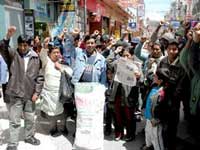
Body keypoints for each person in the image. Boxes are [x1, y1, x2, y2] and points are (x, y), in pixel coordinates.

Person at [1, 28, 44, 150]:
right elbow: (3, 48)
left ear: (29, 45)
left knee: (30, 119)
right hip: (16, 93)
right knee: (15, 120)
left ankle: (29, 136)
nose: (23, 48)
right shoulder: (13, 55)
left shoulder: (36, 58)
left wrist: (37, 92)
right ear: (18, 45)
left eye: (25, 45)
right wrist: (7, 36)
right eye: (20, 45)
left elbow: (40, 77)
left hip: (30, 95)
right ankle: (13, 143)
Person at [106, 46, 142, 142]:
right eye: (123, 55)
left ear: (132, 56)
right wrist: (115, 52)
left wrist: (139, 76)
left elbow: (141, 81)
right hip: (117, 94)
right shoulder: (118, 63)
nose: (125, 58)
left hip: (129, 96)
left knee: (129, 117)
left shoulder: (136, 66)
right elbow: (108, 61)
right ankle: (119, 133)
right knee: (118, 116)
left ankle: (130, 134)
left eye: (127, 55)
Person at [156, 38, 185, 150]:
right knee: (162, 126)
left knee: (172, 127)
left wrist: (174, 96)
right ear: (167, 50)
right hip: (162, 98)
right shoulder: (163, 61)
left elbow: (181, 84)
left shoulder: (181, 64)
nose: (172, 51)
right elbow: (158, 76)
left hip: (174, 101)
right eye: (170, 49)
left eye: (175, 49)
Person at [39, 42, 73, 137]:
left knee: (63, 113)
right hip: (49, 94)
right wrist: (44, 46)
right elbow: (42, 55)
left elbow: (70, 74)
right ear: (49, 54)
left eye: (58, 52)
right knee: (51, 114)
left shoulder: (63, 62)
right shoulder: (46, 62)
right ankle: (53, 128)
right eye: (54, 52)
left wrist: (61, 68)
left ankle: (62, 127)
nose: (56, 54)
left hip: (62, 94)